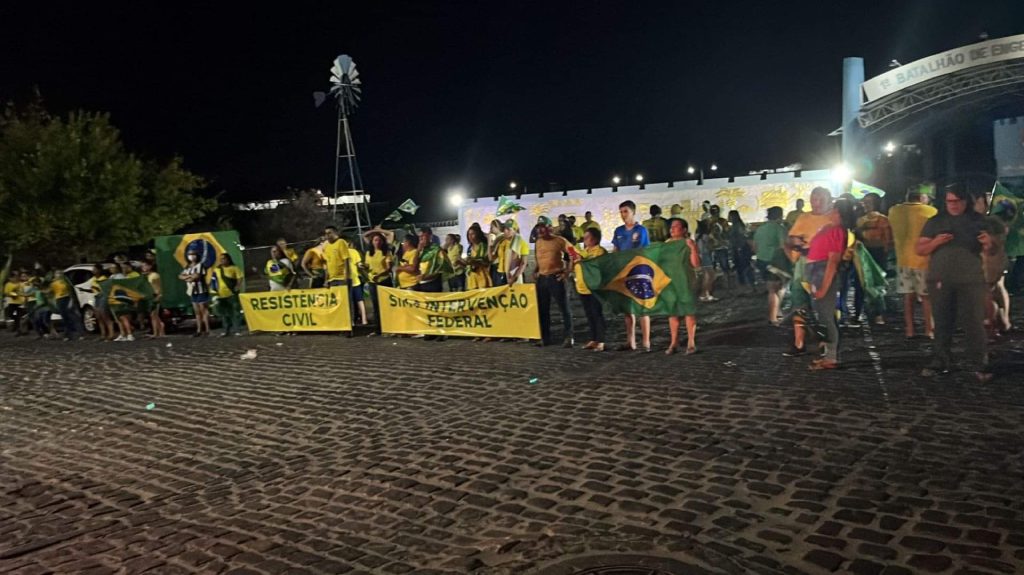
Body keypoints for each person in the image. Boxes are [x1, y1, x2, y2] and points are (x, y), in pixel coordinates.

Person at [915, 184, 993, 382]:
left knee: (973, 322)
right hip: (940, 278)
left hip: (971, 279)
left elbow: (992, 250)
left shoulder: (978, 221)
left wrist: (988, 244)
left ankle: (979, 362)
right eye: (949, 201)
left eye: (957, 201)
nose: (953, 205)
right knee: (942, 322)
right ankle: (941, 360)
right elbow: (920, 249)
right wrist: (936, 242)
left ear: (965, 202)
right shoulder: (935, 221)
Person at [784, 187, 834, 357]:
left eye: (820, 199)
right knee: (799, 305)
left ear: (828, 199)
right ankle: (799, 343)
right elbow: (790, 239)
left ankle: (823, 343)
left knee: (822, 307)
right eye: (814, 199)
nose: (816, 202)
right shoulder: (803, 217)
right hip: (802, 265)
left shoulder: (833, 218)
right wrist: (793, 244)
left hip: (823, 265)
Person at [804, 199, 854, 370]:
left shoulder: (838, 231)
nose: (830, 210)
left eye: (833, 209)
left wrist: (824, 287)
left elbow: (833, 261)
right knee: (821, 316)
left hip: (822, 271)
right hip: (815, 271)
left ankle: (831, 356)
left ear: (839, 213)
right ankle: (826, 353)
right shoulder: (829, 228)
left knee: (825, 316)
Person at [889, 188, 937, 338]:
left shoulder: (894, 211)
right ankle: (929, 329)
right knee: (926, 297)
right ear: (922, 197)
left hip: (902, 259)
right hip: (923, 260)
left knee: (907, 297)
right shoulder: (931, 211)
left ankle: (909, 330)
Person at [611, 200, 651, 351]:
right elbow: (615, 251)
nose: (623, 215)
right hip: (623, 273)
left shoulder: (641, 230)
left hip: (638, 272)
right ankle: (630, 341)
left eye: (625, 211)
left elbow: (645, 251)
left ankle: (646, 342)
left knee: (642, 307)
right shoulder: (619, 231)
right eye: (621, 212)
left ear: (633, 212)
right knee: (628, 309)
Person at [974, 193, 1010, 339]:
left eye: (978, 202)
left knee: (989, 291)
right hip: (990, 261)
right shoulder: (983, 221)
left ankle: (994, 323)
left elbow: (996, 243)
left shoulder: (991, 222)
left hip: (991, 261)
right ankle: (1000, 320)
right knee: (994, 289)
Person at [534, 218, 575, 347]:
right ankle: (545, 338)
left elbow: (573, 253)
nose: (540, 230)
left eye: (543, 227)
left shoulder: (560, 241)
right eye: (538, 227)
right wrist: (536, 269)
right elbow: (539, 257)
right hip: (542, 279)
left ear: (550, 228)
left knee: (564, 309)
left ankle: (569, 337)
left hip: (555, 278)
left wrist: (567, 272)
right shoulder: (538, 242)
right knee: (542, 310)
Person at [855, 192, 892, 325]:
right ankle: (858, 311)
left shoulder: (883, 219)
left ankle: (878, 313)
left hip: (878, 253)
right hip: (863, 254)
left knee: (876, 284)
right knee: (860, 283)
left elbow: (887, 240)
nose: (865, 205)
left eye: (868, 202)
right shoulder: (860, 220)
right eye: (864, 202)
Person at [665, 218, 700, 355]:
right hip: (670, 283)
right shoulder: (667, 245)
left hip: (686, 282)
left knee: (688, 312)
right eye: (671, 227)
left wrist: (693, 249)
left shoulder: (688, 243)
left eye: (676, 226)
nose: (672, 229)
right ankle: (674, 342)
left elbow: (696, 264)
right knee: (673, 314)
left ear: (684, 230)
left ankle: (691, 342)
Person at [572, 227, 608, 351]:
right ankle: (593, 338)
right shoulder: (584, 251)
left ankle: (601, 340)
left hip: (594, 288)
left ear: (595, 239)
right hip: (582, 288)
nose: (584, 240)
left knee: (597, 314)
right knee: (589, 314)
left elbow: (596, 266)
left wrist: (583, 261)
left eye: (587, 237)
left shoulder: (600, 252)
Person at [753, 207, 788, 325]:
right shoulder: (779, 229)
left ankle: (777, 311)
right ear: (780, 216)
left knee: (773, 288)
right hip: (774, 262)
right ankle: (773, 317)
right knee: (777, 288)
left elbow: (754, 246)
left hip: (761, 260)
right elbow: (784, 247)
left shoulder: (760, 229)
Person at [364, 232, 393, 332]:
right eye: (375, 240)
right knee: (376, 305)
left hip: (384, 281)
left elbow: (389, 268)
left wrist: (379, 275)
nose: (377, 242)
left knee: (386, 304)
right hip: (373, 282)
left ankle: (389, 325)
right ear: (372, 242)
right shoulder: (369, 253)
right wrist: (363, 266)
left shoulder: (386, 252)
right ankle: (378, 327)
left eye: (379, 240)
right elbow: (368, 266)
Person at [179, 248, 211, 337]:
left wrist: (187, 277)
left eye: (193, 254)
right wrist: (189, 276)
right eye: (190, 254)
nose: (191, 256)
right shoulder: (188, 266)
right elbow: (180, 276)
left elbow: (196, 276)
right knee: (197, 312)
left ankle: (207, 329)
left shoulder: (200, 265)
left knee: (203, 310)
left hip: (201, 290)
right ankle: (199, 329)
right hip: (192, 291)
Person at [210, 253, 244, 337]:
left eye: (224, 259)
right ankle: (226, 330)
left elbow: (240, 278)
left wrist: (237, 286)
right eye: (221, 259)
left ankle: (237, 330)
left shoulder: (234, 268)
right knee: (224, 314)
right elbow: (214, 281)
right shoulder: (217, 270)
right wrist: (214, 292)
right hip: (221, 295)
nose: (222, 260)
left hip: (232, 294)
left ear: (228, 259)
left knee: (235, 312)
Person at [50, 268, 84, 341]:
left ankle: (80, 333)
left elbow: (70, 292)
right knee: (65, 318)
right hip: (59, 300)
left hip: (67, 298)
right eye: (57, 273)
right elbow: (51, 293)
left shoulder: (65, 282)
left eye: (59, 273)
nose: (58, 275)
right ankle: (68, 335)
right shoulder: (53, 283)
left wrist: (71, 301)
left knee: (73, 317)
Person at [727, 210, 755, 291]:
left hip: (740, 249)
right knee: (741, 267)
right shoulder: (736, 226)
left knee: (744, 267)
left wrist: (739, 247)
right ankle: (746, 285)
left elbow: (742, 237)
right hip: (738, 249)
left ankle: (748, 285)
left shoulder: (737, 226)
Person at [707, 205, 732, 289]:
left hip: (713, 247)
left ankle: (713, 286)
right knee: (724, 267)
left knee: (713, 267)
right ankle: (727, 285)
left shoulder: (708, 222)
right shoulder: (722, 221)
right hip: (721, 246)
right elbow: (728, 233)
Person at [499, 219, 530, 285]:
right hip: (503, 273)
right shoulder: (503, 242)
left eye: (508, 229)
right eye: (504, 229)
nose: (505, 231)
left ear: (515, 230)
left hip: (514, 274)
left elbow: (523, 262)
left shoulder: (522, 243)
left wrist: (514, 277)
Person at [90, 264, 115, 341]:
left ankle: (111, 333)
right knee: (98, 316)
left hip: (103, 296)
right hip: (96, 297)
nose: (93, 271)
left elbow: (105, 289)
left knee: (104, 315)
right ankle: (103, 334)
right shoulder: (93, 279)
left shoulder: (104, 279)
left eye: (95, 269)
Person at [322, 225, 351, 291]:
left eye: (329, 233)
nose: (327, 235)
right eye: (326, 233)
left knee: (344, 300)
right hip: (332, 279)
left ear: (335, 233)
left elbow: (346, 260)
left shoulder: (341, 242)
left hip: (341, 279)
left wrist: (346, 277)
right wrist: (326, 280)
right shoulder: (326, 246)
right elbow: (327, 264)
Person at [694, 220, 717, 302]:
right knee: (709, 275)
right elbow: (712, 245)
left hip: (701, 255)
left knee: (707, 275)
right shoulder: (706, 236)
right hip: (705, 255)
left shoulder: (698, 235)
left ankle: (705, 294)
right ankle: (704, 294)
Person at [141, 261, 165, 338]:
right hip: (150, 296)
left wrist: (158, 296)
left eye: (145, 266)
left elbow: (157, 287)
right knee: (153, 315)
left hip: (156, 296)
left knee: (155, 314)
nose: (143, 268)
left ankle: (160, 332)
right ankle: (156, 332)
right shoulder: (147, 276)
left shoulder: (154, 275)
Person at [348, 245, 368, 326]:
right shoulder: (353, 251)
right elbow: (359, 265)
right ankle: (363, 320)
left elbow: (359, 264)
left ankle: (359, 320)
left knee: (353, 301)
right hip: (353, 280)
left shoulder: (353, 252)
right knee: (359, 301)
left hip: (353, 280)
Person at [3, 271, 25, 336]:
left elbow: (23, 292)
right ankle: (17, 323)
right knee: (10, 314)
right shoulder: (8, 284)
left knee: (19, 315)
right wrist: (12, 293)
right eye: (13, 277)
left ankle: (19, 331)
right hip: (12, 302)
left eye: (16, 277)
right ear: (10, 278)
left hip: (20, 302)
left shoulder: (21, 284)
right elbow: (6, 293)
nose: (15, 278)